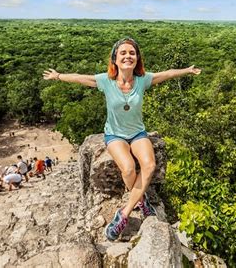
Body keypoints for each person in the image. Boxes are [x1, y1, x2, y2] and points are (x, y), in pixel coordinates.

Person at [43, 37, 201, 241]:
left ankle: (123, 214)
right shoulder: (106, 81)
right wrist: (58, 76)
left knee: (149, 165)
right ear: (115, 59)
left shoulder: (143, 80)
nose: (128, 56)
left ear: (137, 59)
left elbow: (167, 74)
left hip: (137, 133)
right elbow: (82, 78)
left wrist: (187, 70)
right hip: (115, 134)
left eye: (132, 53)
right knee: (127, 168)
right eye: (123, 53)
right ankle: (142, 200)